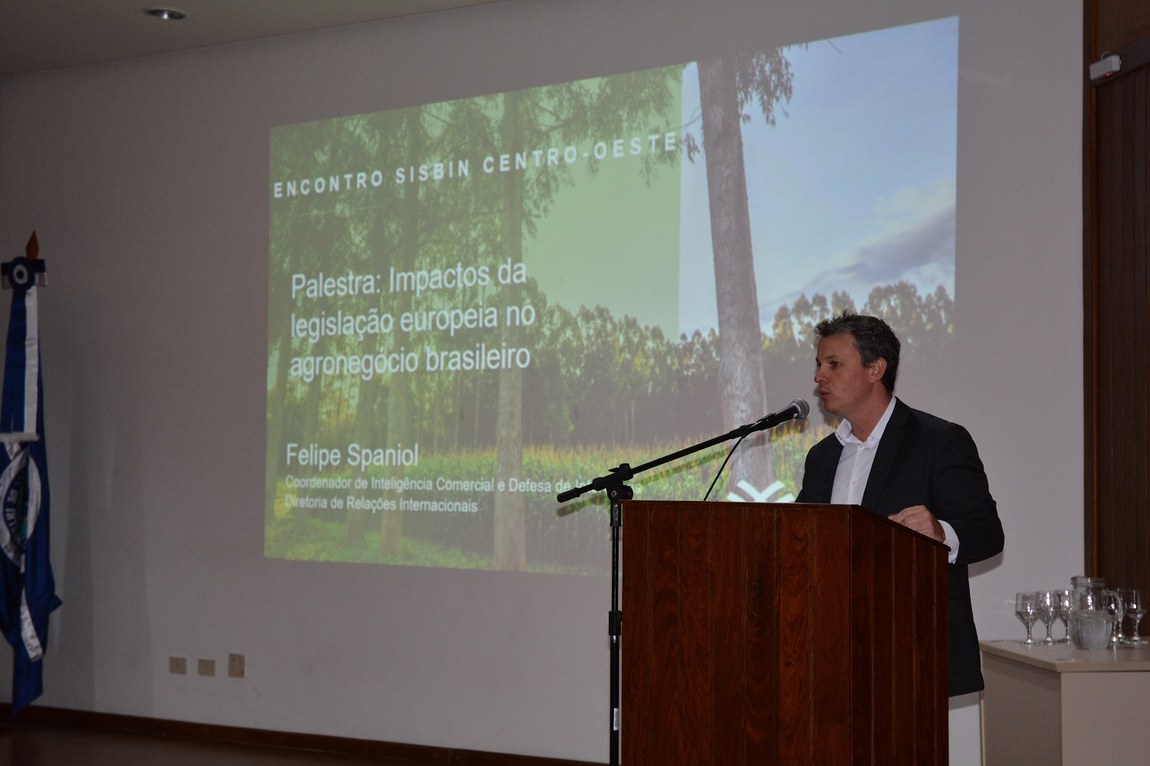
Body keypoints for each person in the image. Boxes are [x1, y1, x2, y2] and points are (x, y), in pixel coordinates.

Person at [796, 312, 1004, 697]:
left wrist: (943, 533)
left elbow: (988, 531)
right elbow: (798, 543)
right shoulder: (822, 457)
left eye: (834, 364)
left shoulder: (938, 440)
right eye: (819, 364)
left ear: (876, 369)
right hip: (827, 654)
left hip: (910, 653)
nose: (819, 376)